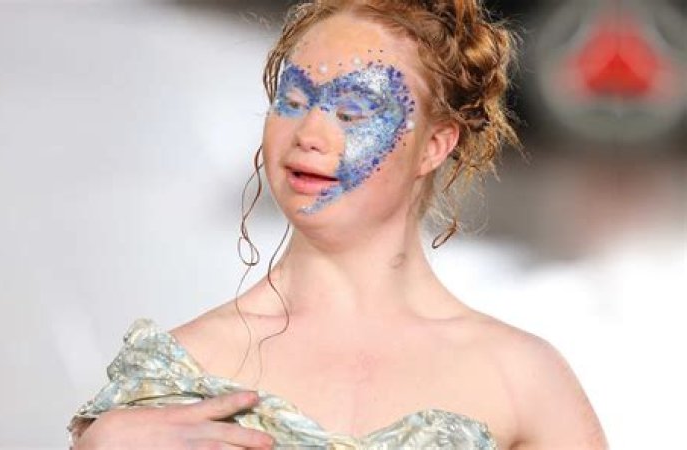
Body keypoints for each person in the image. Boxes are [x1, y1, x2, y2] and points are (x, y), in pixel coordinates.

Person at [68, 0, 608, 449]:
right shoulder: (181, 371)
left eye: (352, 112)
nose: (309, 133)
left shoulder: (521, 378)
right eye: (292, 101)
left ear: (435, 145)